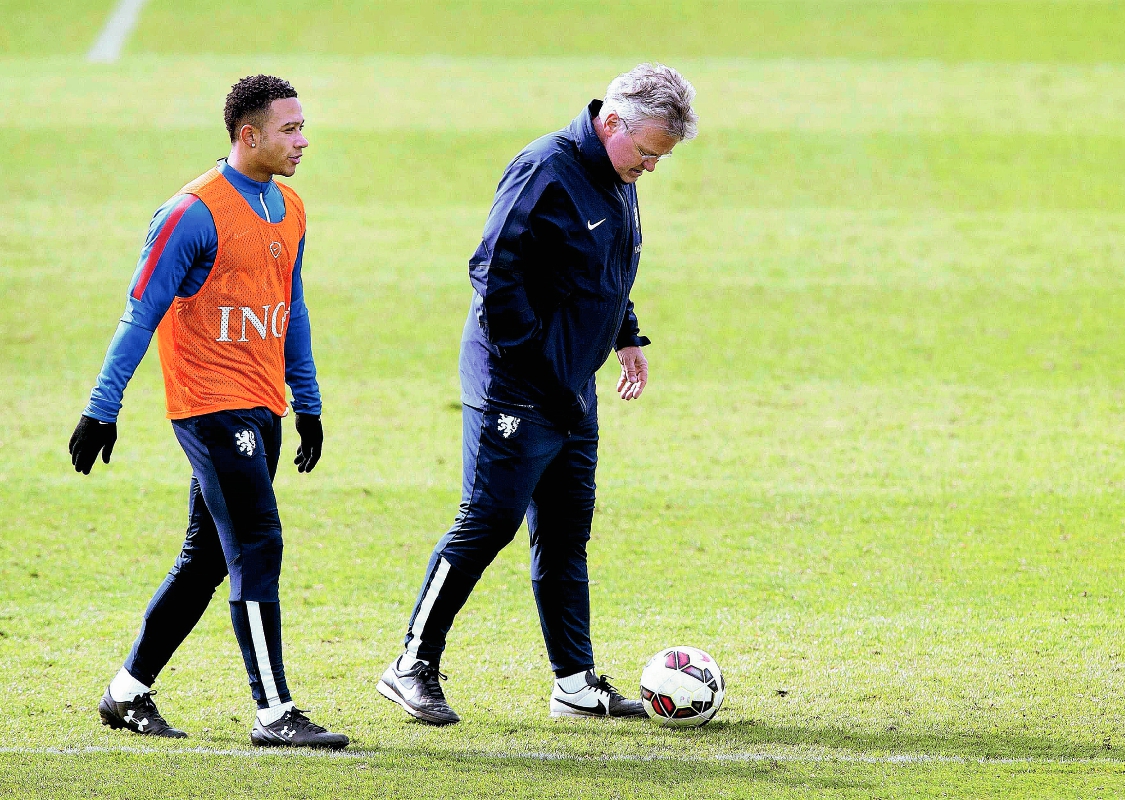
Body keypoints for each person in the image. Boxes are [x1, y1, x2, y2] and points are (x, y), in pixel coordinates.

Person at [377, 63, 698, 724]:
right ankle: (410, 665)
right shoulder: (544, 170)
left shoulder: (618, 175)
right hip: (515, 388)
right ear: (613, 122)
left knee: (564, 533)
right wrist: (541, 375)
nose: (650, 168)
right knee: (486, 523)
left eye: (660, 159)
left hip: (570, 386)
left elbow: (607, 267)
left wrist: (625, 335)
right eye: (647, 153)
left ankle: (574, 683)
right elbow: (494, 279)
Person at [68, 75, 348, 749]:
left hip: (263, 406)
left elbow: (293, 308)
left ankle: (127, 691)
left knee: (207, 557)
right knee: (258, 543)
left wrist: (307, 401)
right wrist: (102, 409)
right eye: (289, 129)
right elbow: (140, 313)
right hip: (210, 408)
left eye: (303, 126)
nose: (303, 140)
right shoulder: (190, 213)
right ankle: (274, 712)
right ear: (248, 136)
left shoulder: (290, 208)